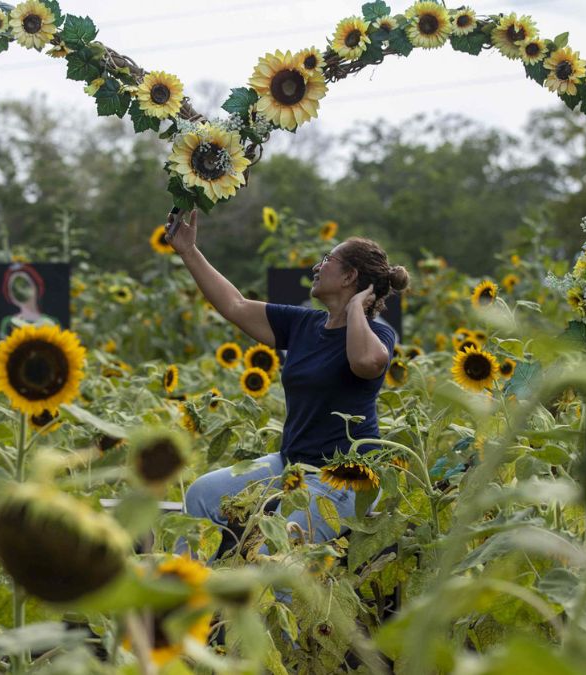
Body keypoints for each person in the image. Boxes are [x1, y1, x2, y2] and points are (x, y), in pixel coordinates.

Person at [164, 208, 410, 559]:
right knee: (202, 494)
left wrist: (357, 308)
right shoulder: (303, 325)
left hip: (343, 478)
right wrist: (188, 251)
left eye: (327, 259)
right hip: (291, 464)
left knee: (271, 554)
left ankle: (268, 610)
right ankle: (185, 597)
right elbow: (235, 305)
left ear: (349, 276)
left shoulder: (378, 333)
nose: (316, 266)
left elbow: (366, 362)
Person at [0, 264, 59, 339]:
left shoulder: (53, 322)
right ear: (10, 295)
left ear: (36, 286)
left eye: (24, 285)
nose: (20, 291)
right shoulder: (8, 323)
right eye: (14, 289)